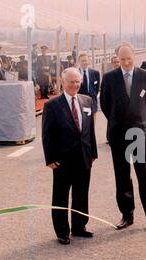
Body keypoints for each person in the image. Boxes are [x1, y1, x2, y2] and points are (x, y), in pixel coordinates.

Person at [100, 43, 146, 232]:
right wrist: (117, 121)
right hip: (118, 134)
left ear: (134, 57)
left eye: (129, 59)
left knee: (145, 177)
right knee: (122, 176)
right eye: (122, 60)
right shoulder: (109, 78)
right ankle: (127, 214)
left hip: (140, 133)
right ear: (117, 59)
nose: (126, 63)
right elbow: (105, 105)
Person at [42, 68, 98, 245]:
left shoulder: (87, 100)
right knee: (60, 196)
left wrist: (93, 152)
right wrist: (50, 159)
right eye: (71, 82)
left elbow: (90, 131)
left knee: (82, 194)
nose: (74, 85)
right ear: (62, 82)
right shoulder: (52, 105)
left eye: (77, 81)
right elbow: (47, 134)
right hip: (62, 160)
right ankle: (62, 231)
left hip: (83, 157)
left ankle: (79, 227)